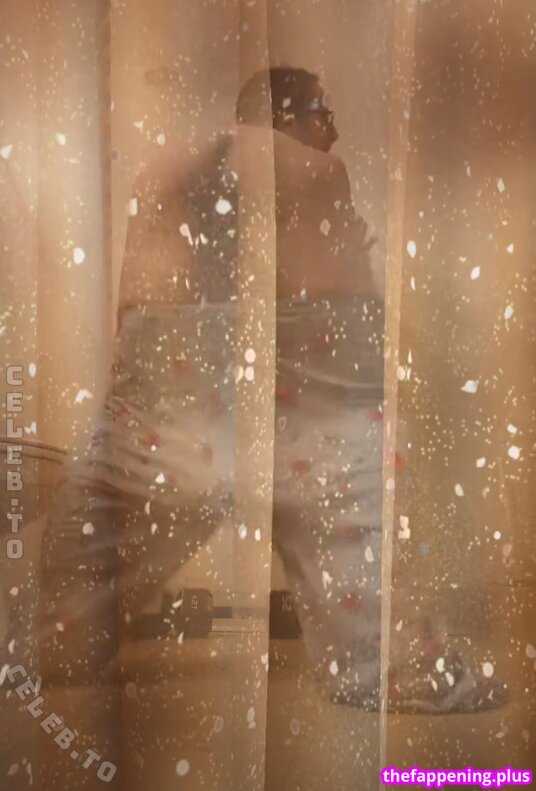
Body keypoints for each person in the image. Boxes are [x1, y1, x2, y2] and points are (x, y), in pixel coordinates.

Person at [33, 66, 505, 714]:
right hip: (310, 363)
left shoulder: (163, 167)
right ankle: (390, 664)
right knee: (355, 509)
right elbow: (339, 290)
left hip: (171, 362)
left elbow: (132, 312)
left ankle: (42, 644)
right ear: (285, 114)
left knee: (85, 564)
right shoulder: (316, 169)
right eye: (323, 114)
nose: (332, 132)